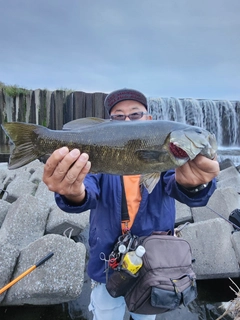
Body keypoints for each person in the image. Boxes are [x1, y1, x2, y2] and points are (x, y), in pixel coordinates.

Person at [42, 88, 220, 320]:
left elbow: (179, 185)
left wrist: (195, 185)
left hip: (153, 264)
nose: (127, 121)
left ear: (149, 120)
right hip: (107, 262)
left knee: (145, 315)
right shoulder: (100, 155)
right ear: (107, 124)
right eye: (118, 116)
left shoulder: (169, 158)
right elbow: (87, 190)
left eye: (135, 115)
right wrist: (72, 192)